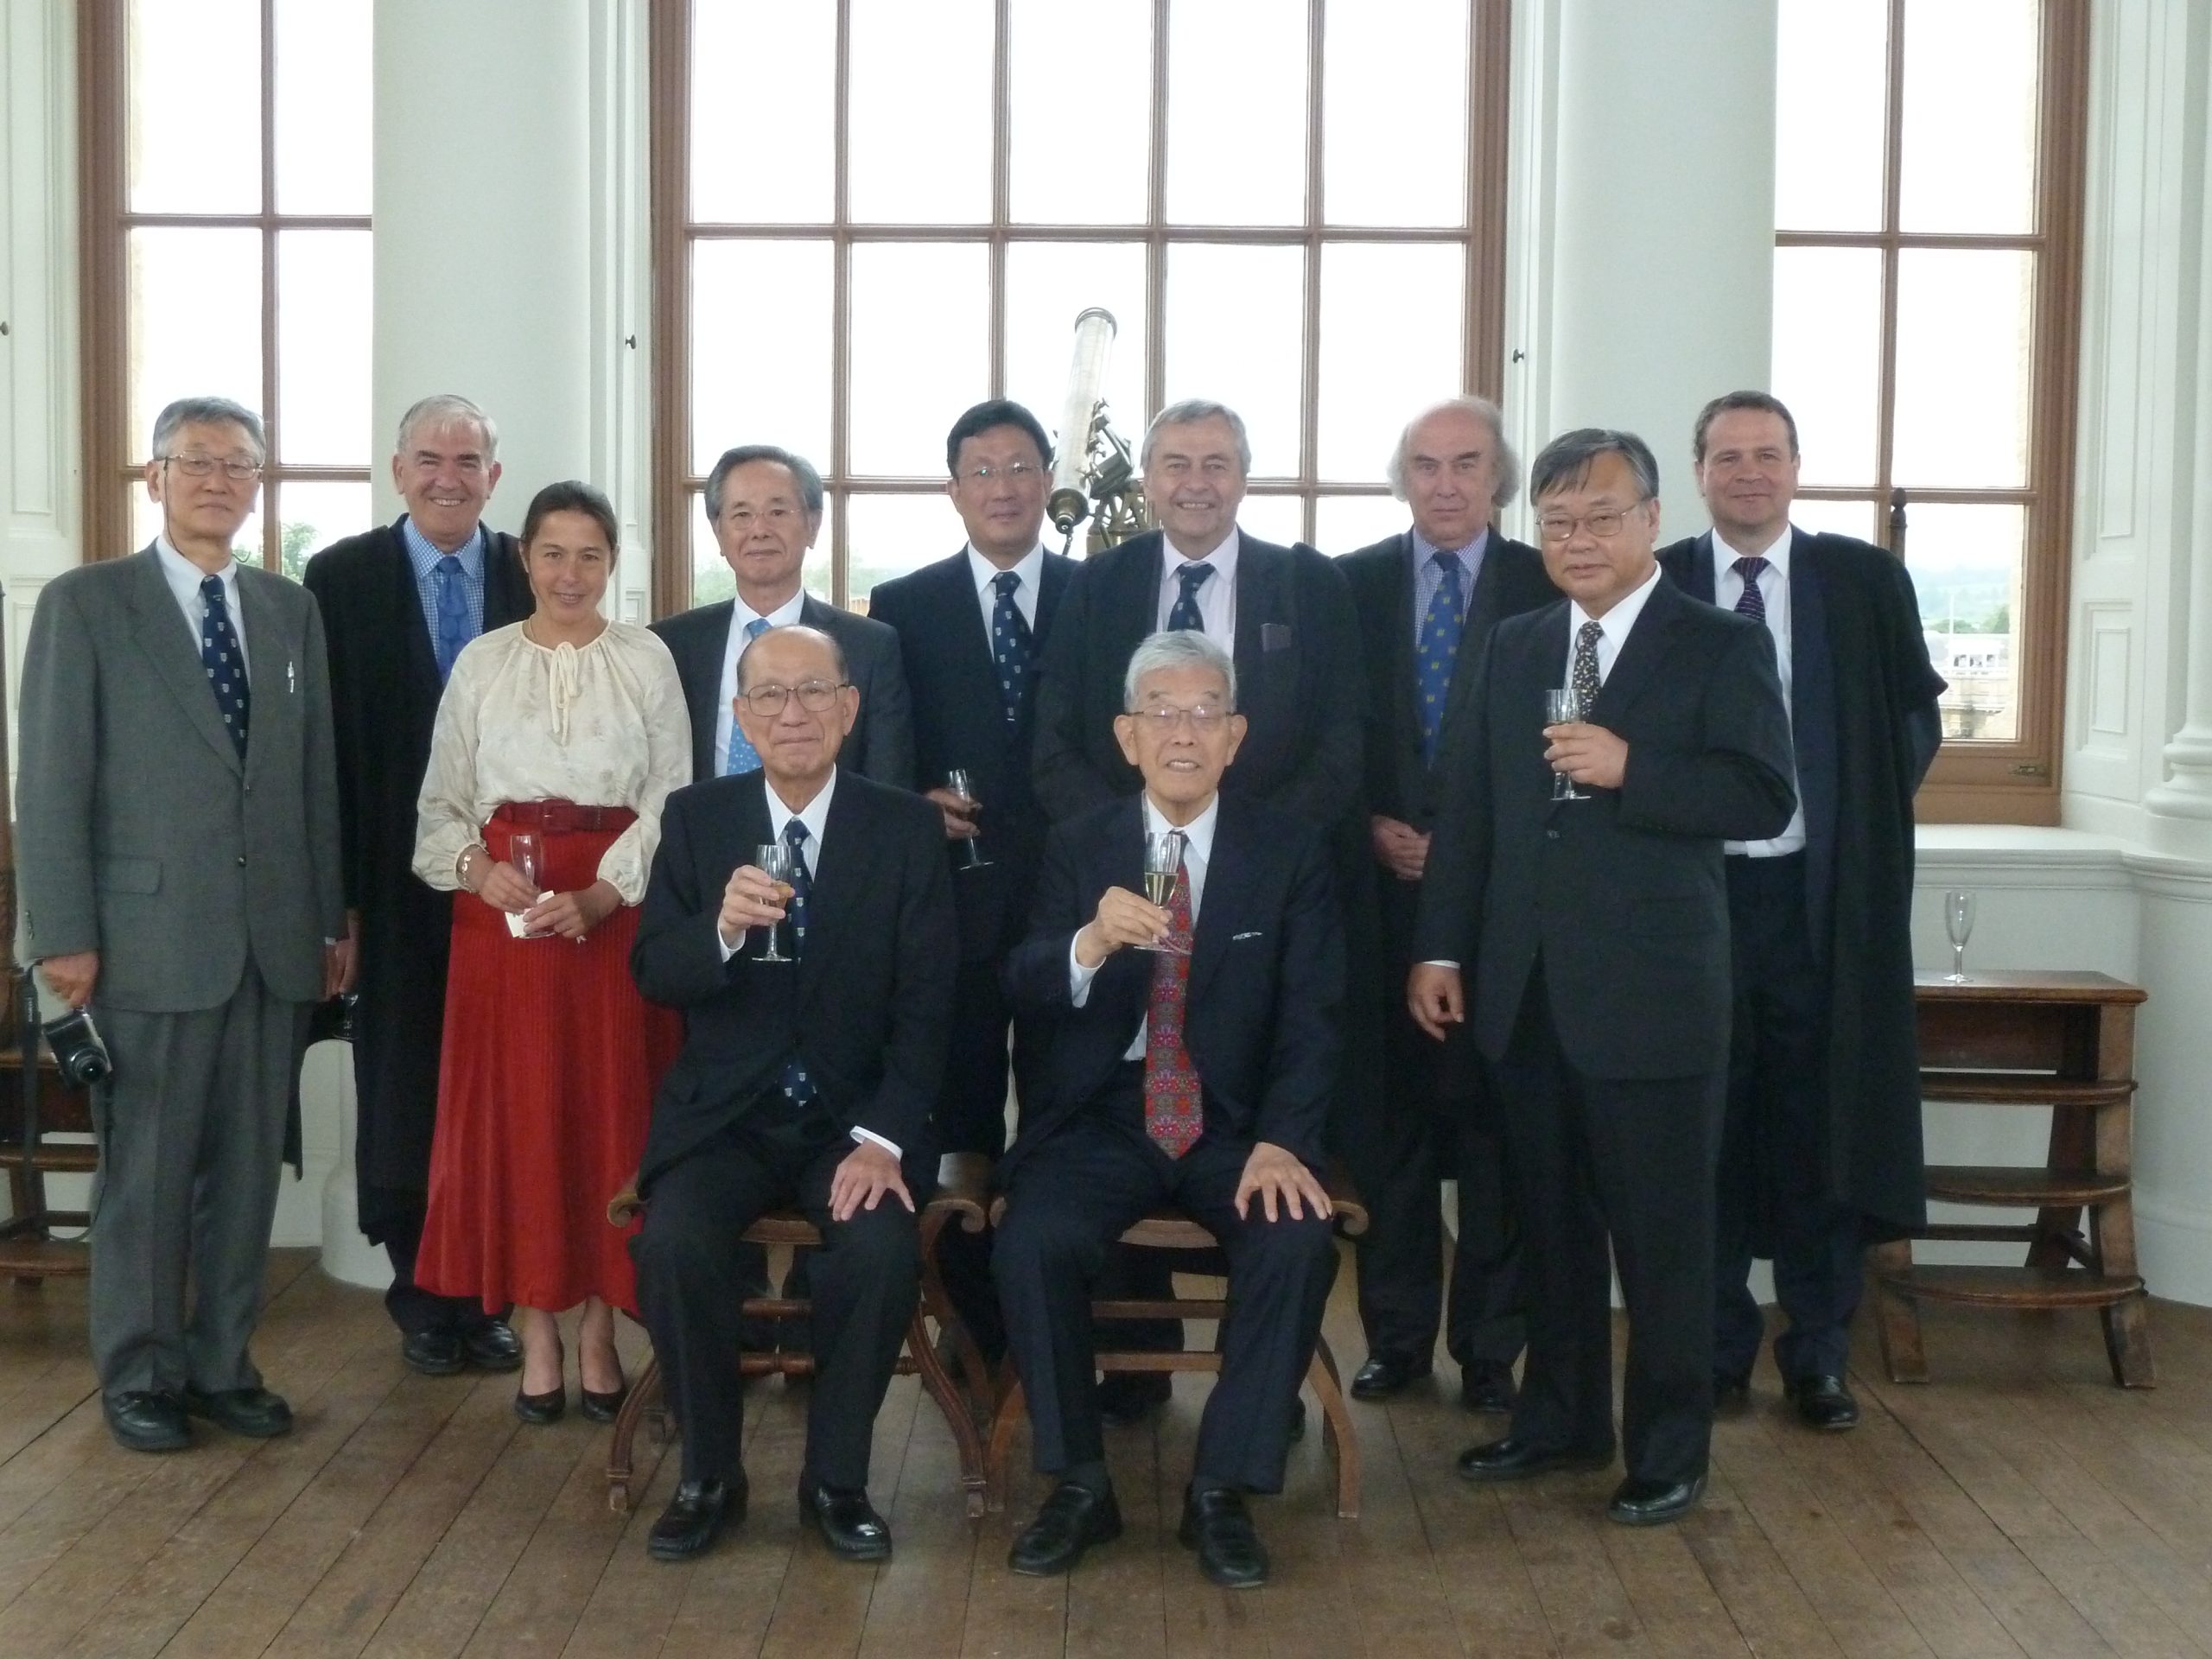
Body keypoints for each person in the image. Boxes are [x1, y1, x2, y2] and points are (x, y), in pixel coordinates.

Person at [1408, 429, 1795, 1527]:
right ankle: (1560, 1420)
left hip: (1654, 1000)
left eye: (1601, 517)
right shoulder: (1518, 638)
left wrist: (1637, 771)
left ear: (1652, 522)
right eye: (1558, 520)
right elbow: (1469, 811)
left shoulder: (1716, 644)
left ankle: (1667, 1451)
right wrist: (1440, 949)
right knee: (1548, 1227)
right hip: (1521, 992)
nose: (1577, 540)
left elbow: (1762, 797)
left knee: (1663, 1239)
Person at [16, 395, 347, 1452]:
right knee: (147, 1172)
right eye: (196, 462)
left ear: (258, 486)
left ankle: (220, 1363)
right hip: (141, 938)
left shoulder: (288, 610)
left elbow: (313, 777)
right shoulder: (87, 605)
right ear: (155, 477)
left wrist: (332, 915)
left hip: (274, 938)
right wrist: (60, 933)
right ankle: (141, 1376)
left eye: (239, 465)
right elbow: (54, 782)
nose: (219, 480)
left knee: (247, 1172)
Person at [1030, 397, 1363, 1419]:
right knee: (1082, 1172)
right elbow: (1059, 736)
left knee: (1274, 1205)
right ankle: (1124, 1397)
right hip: (1122, 877)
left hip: (1262, 889)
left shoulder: (1309, 585)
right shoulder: (1098, 587)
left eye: (1217, 462)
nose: (1195, 481)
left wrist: (1238, 848)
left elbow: (1340, 741)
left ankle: (1238, 1451)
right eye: (1175, 462)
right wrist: (1139, 838)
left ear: (1244, 475)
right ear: (1151, 477)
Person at [995, 630, 1344, 1590]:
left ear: (1234, 736)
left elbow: (1315, 1017)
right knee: (1032, 1241)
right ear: (1126, 734)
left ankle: (1222, 1492)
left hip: (1234, 1124)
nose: (1181, 732)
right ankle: (1076, 1486)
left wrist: (1284, 1141)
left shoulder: (1289, 851)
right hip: (1104, 1116)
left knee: (1296, 1237)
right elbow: (1019, 980)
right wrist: (1088, 942)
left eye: (1202, 714)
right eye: (1161, 712)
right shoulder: (1076, 846)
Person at [627, 624, 956, 1565]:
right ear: (739, 718)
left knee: (881, 1250)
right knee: (674, 1243)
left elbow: (930, 1004)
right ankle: (709, 1477)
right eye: (769, 697)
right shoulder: (696, 818)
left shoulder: (902, 826)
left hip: (851, 1122)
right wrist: (719, 932)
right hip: (728, 1117)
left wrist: (885, 1137)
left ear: (850, 709)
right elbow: (655, 971)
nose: (793, 714)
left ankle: (836, 1480)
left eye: (814, 693)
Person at [1657, 391, 1946, 1431]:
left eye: (1765, 454)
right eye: (1726, 455)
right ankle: (1716, 1348)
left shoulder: (1862, 581)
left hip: (1821, 905)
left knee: (1820, 1123)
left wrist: (1849, 825)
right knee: (1707, 1128)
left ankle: (1818, 1353)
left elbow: (1910, 726)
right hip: (1694, 902)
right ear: (1698, 472)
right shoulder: (1662, 581)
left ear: (1794, 467)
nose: (1747, 473)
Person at [411, 480, 690, 1426]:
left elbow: (672, 798)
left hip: (615, 916)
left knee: (612, 1116)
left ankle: (605, 1330)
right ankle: (537, 1331)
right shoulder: (482, 665)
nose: (570, 573)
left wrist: (608, 891)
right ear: (523, 559)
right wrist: (475, 868)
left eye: (590, 555)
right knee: (523, 1120)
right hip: (506, 920)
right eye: (553, 553)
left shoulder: (646, 660)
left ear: (613, 565)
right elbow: (440, 803)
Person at [303, 393, 532, 1379]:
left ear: (495, 472)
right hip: (389, 895)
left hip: (515, 891)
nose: (449, 476)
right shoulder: (338, 578)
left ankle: (490, 1297)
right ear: (397, 470)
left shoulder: (534, 571)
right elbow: (324, 757)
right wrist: (336, 902)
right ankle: (423, 1296)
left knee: (500, 1094)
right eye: (430, 458)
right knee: (404, 1094)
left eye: (469, 459)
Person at [1337, 397, 1557, 1411]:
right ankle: (1395, 1340)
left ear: (1499, 479)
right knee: (1391, 1142)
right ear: (1402, 479)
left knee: (1495, 1140)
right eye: (1425, 466)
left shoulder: (1544, 583)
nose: (1446, 483)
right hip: (1374, 904)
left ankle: (1489, 1349)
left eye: (1467, 464)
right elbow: (1319, 738)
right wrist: (1367, 824)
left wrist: (1466, 850)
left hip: (1499, 913)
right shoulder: (1350, 585)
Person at [865, 399, 1074, 1367]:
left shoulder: (1099, 590)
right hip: (953, 894)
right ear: (954, 491)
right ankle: (976, 1325)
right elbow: (881, 750)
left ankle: (1083, 1328)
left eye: (1020, 467)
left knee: (1074, 1108)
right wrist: (912, 803)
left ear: (1046, 480)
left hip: (1078, 897)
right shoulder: (904, 605)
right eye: (981, 471)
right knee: (961, 1114)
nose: (1002, 486)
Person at [653, 443, 914, 791]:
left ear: (813, 525)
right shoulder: (671, 645)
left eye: (777, 512)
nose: (759, 530)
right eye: (741, 515)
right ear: (718, 532)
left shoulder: (870, 647)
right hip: (703, 840)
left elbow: (888, 784)